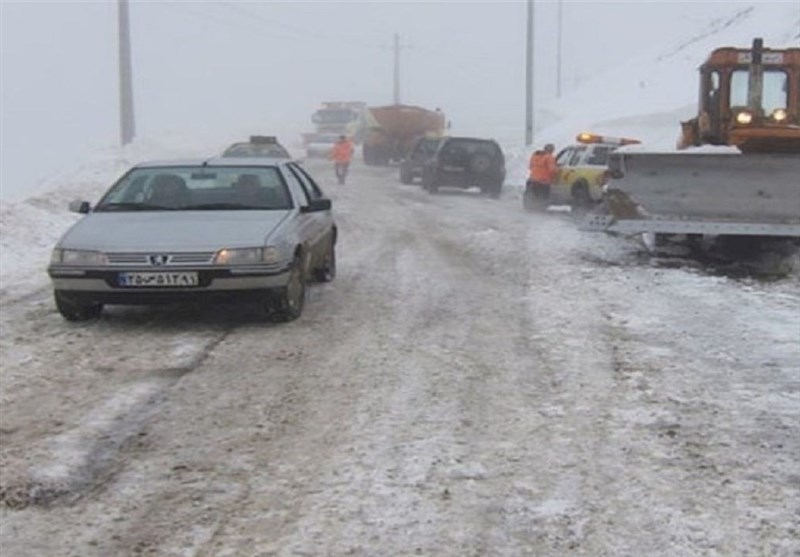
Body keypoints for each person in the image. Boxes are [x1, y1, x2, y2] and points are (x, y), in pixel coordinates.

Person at [524, 143, 557, 211]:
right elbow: (552, 170)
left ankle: (530, 208)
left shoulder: (535, 156)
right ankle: (540, 210)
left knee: (531, 196)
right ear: (551, 150)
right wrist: (555, 174)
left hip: (532, 180)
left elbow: (530, 167)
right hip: (543, 182)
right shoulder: (549, 158)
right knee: (542, 199)